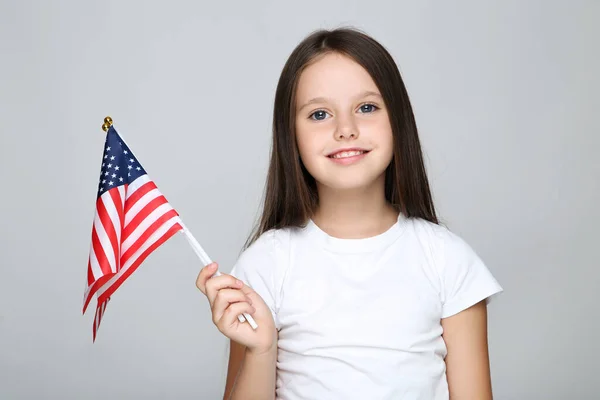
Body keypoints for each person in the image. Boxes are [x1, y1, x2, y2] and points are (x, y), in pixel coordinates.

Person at [196, 27, 503, 400]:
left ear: (398, 120)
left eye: (367, 108)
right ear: (290, 135)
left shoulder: (448, 260)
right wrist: (261, 351)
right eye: (320, 114)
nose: (346, 130)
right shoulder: (266, 264)